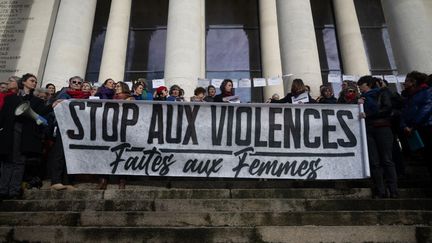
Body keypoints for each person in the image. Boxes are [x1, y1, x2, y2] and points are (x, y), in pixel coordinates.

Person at [0, 73, 52, 199]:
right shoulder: (11, 98)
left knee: (19, 162)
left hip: (25, 133)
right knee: (8, 161)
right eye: (32, 80)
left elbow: (42, 116)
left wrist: (53, 105)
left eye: (35, 81)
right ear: (23, 82)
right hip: (10, 131)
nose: (34, 83)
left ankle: (14, 191)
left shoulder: (37, 101)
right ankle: (2, 190)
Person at [358, 75, 398, 198]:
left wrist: (368, 114)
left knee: (387, 159)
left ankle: (393, 190)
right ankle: (380, 190)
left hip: (382, 128)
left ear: (368, 85)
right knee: (374, 162)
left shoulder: (382, 93)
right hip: (369, 130)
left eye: (361, 85)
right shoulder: (361, 99)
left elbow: (387, 109)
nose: (359, 88)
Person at [49, 76, 90, 191]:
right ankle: (55, 181)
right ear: (69, 83)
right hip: (63, 128)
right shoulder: (63, 94)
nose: (76, 84)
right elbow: (54, 110)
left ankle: (68, 181)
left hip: (77, 130)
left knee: (72, 156)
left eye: (79, 83)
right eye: (74, 82)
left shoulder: (85, 97)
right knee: (60, 154)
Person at [400, 71, 432, 177]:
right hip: (417, 129)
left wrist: (412, 126)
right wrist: (404, 125)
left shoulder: (427, 92)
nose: (404, 83)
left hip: (427, 127)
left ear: (413, 82)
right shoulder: (409, 97)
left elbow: (425, 110)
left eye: (406, 81)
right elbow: (405, 113)